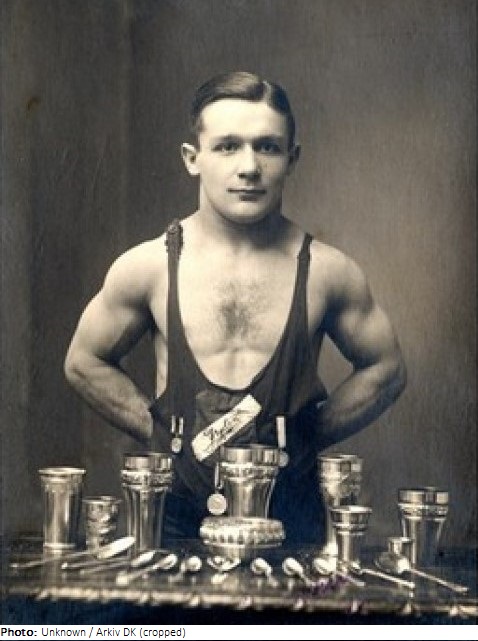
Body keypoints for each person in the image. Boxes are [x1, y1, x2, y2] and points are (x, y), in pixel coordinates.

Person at [64, 71, 407, 544]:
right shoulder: (148, 267)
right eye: (227, 146)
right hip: (174, 524)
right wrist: (162, 433)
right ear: (193, 158)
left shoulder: (328, 272)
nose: (249, 167)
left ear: (292, 158)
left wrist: (306, 434)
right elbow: (83, 362)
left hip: (291, 525)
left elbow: (387, 369)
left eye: (267, 147)